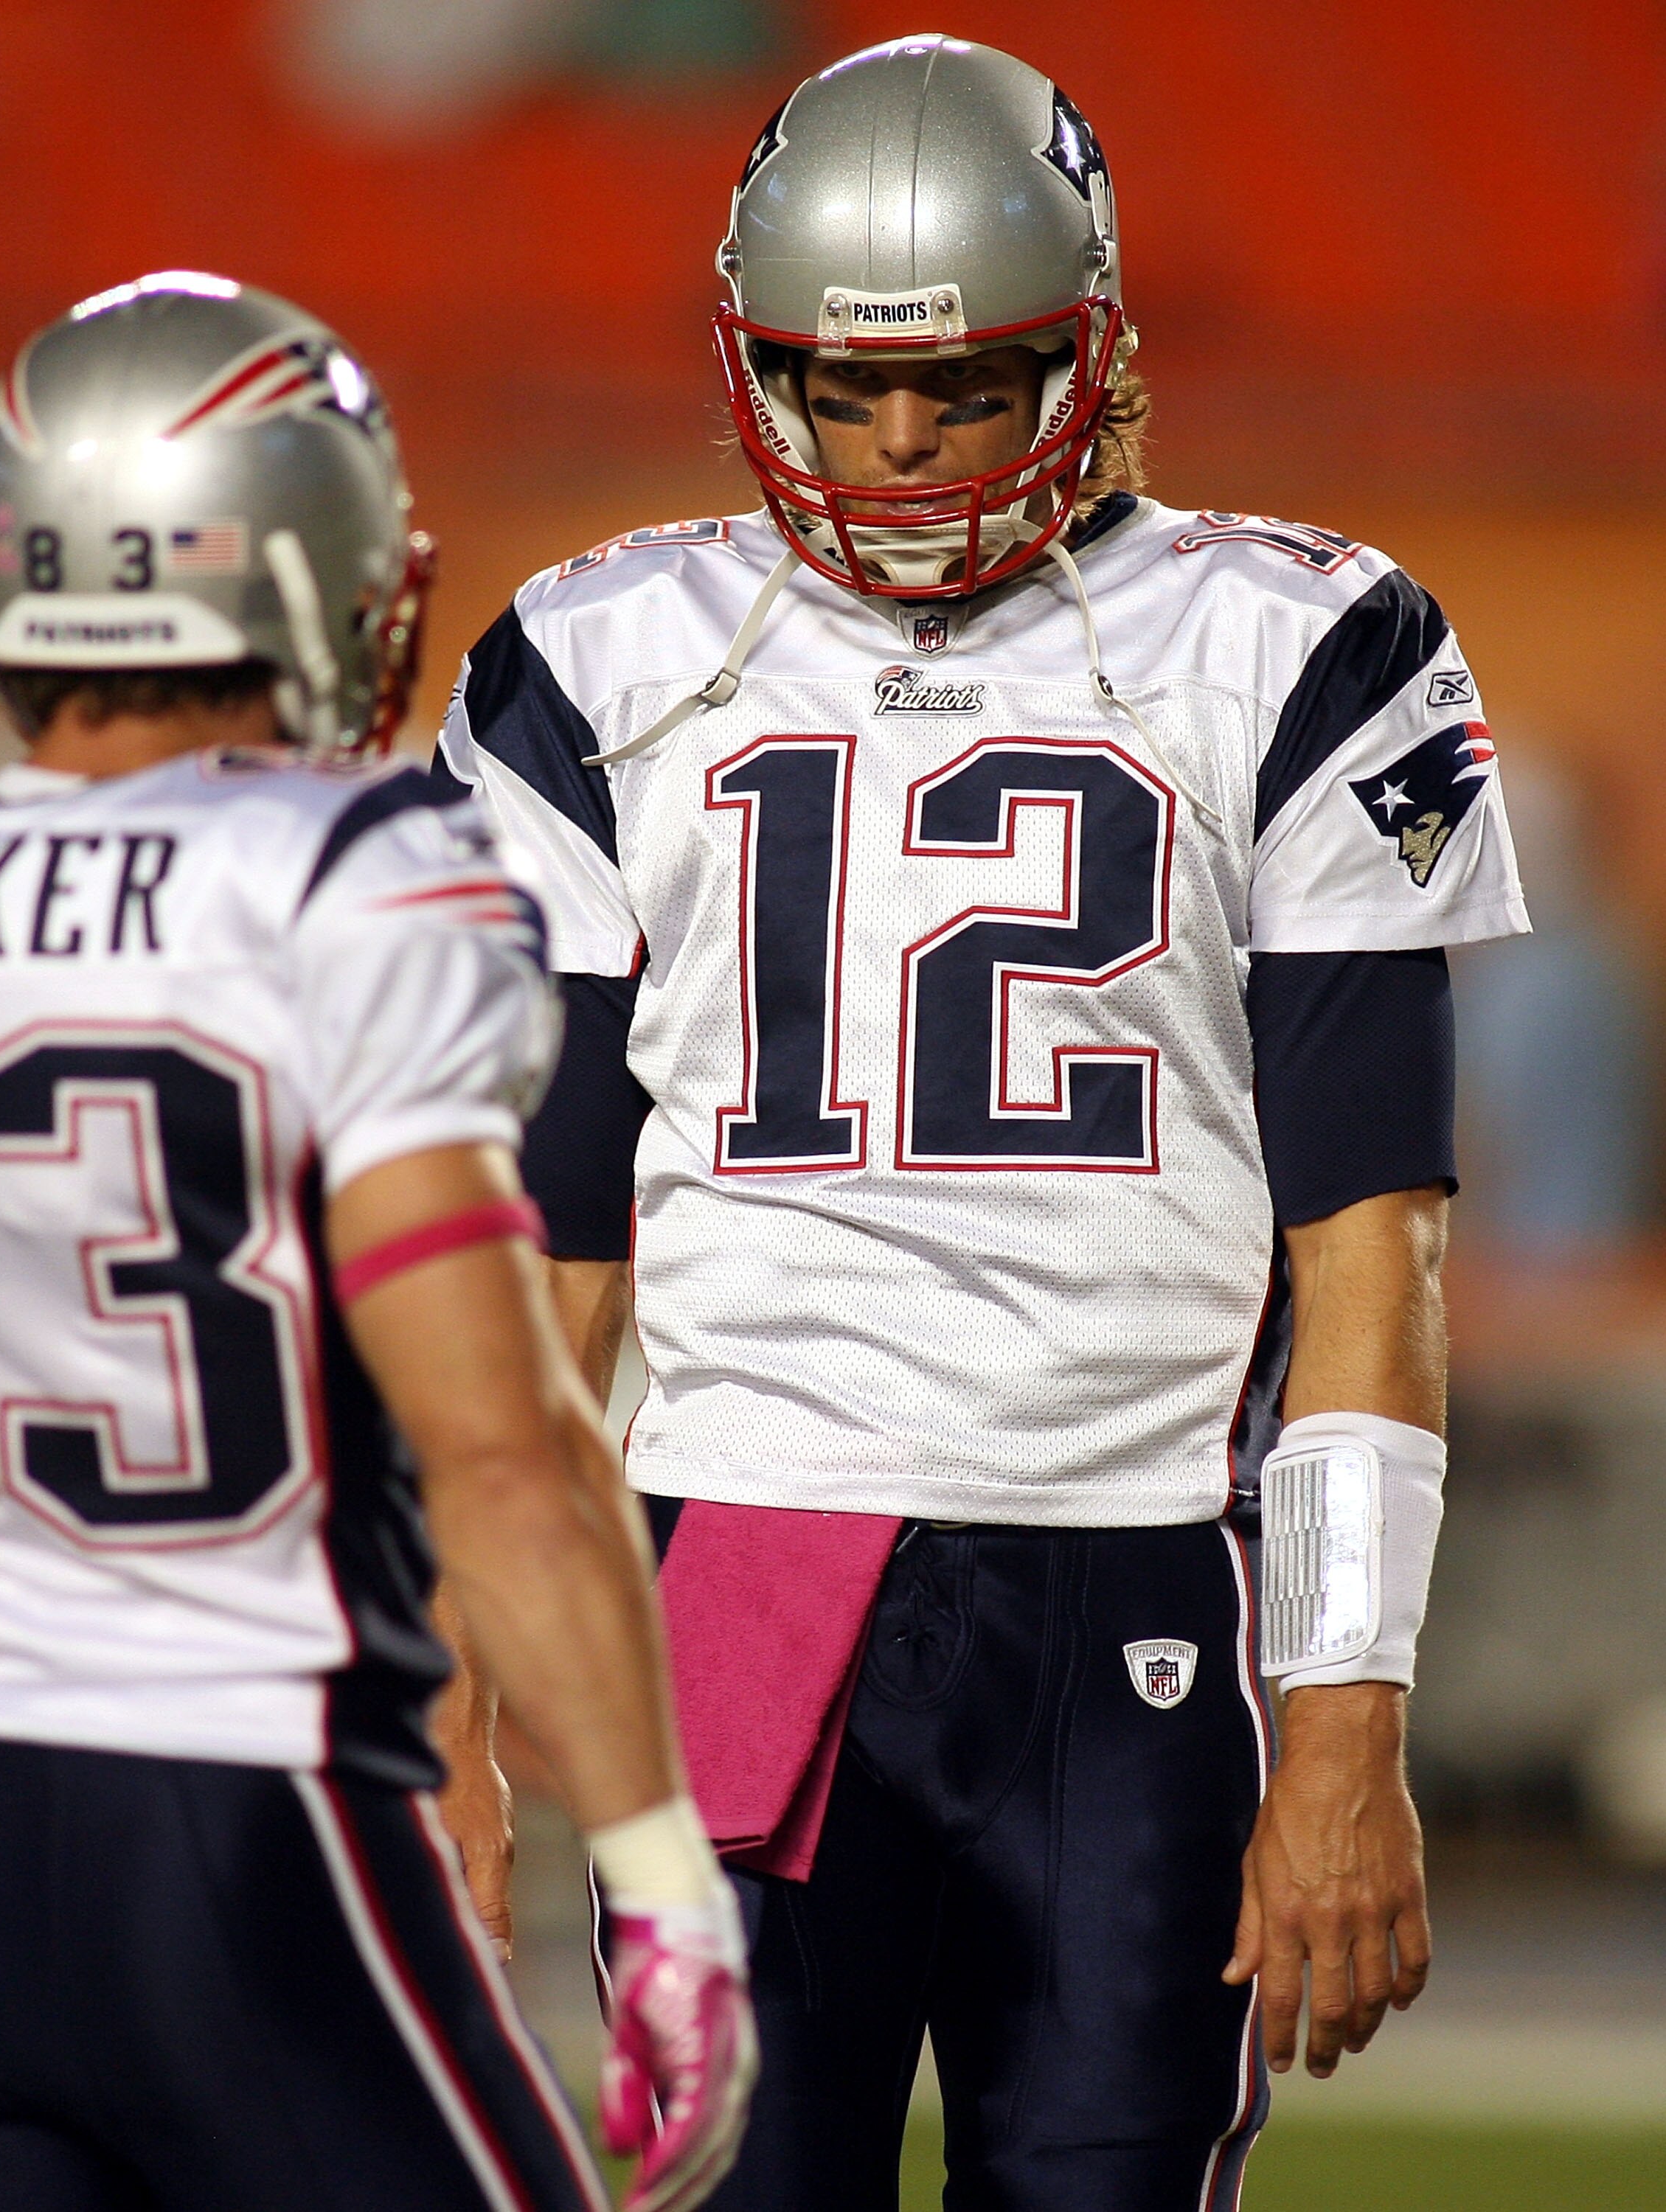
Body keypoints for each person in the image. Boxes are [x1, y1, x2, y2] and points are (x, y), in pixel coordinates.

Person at [431, 38, 1527, 2212]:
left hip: (1130, 1560)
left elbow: (1367, 1255)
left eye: (972, 385)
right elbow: (545, 1270)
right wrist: (451, 1713)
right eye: (843, 388)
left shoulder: (1300, 643)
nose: (905, 444)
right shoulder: (592, 660)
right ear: (759, 365)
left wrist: (1343, 1713)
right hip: (733, 1543)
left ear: (1093, 353)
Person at [0, 272, 754, 2212]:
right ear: (313, 575)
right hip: (253, 1835)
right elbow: (502, 1452)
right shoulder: (353, 876)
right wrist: (658, 1877)